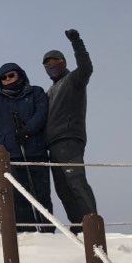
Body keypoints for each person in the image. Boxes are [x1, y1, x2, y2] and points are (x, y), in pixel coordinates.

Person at [0, 62, 53, 231]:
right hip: (11, 155)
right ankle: (27, 233)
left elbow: (41, 113)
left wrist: (28, 130)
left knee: (41, 195)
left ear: (20, 74)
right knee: (18, 198)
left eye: (11, 75)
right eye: (4, 77)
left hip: (36, 152)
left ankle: (47, 231)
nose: (8, 79)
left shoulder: (35, 92)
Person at [43, 28, 97, 230]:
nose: (51, 65)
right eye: (47, 64)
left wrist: (77, 42)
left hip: (69, 138)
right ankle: (78, 225)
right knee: (63, 189)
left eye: (55, 61)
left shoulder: (74, 80)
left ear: (63, 62)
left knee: (75, 181)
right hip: (52, 144)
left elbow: (86, 68)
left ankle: (92, 224)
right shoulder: (49, 92)